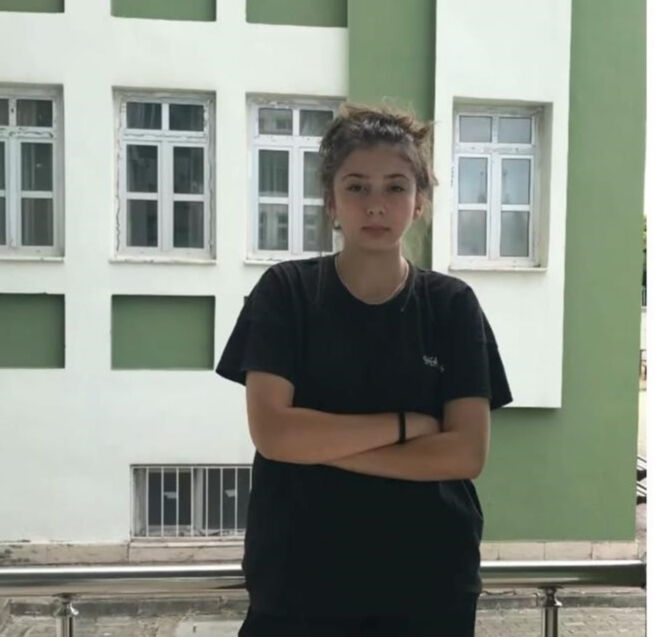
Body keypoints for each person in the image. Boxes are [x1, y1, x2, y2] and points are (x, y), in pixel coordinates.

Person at [215, 103, 513, 637]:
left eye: (396, 187)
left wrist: (321, 448)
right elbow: (274, 432)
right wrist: (405, 427)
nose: (376, 204)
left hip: (428, 587)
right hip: (298, 586)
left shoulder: (451, 306)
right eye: (357, 187)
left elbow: (466, 454)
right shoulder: (287, 293)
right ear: (331, 201)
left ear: (419, 202)